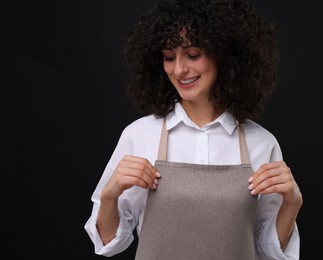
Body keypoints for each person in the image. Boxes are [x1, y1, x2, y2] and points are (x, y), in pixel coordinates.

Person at [84, 0, 303, 259]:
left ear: (225, 54)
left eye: (193, 54)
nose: (179, 69)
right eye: (169, 57)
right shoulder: (139, 135)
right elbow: (109, 244)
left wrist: (292, 203)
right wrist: (110, 194)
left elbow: (268, 249)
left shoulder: (262, 143)